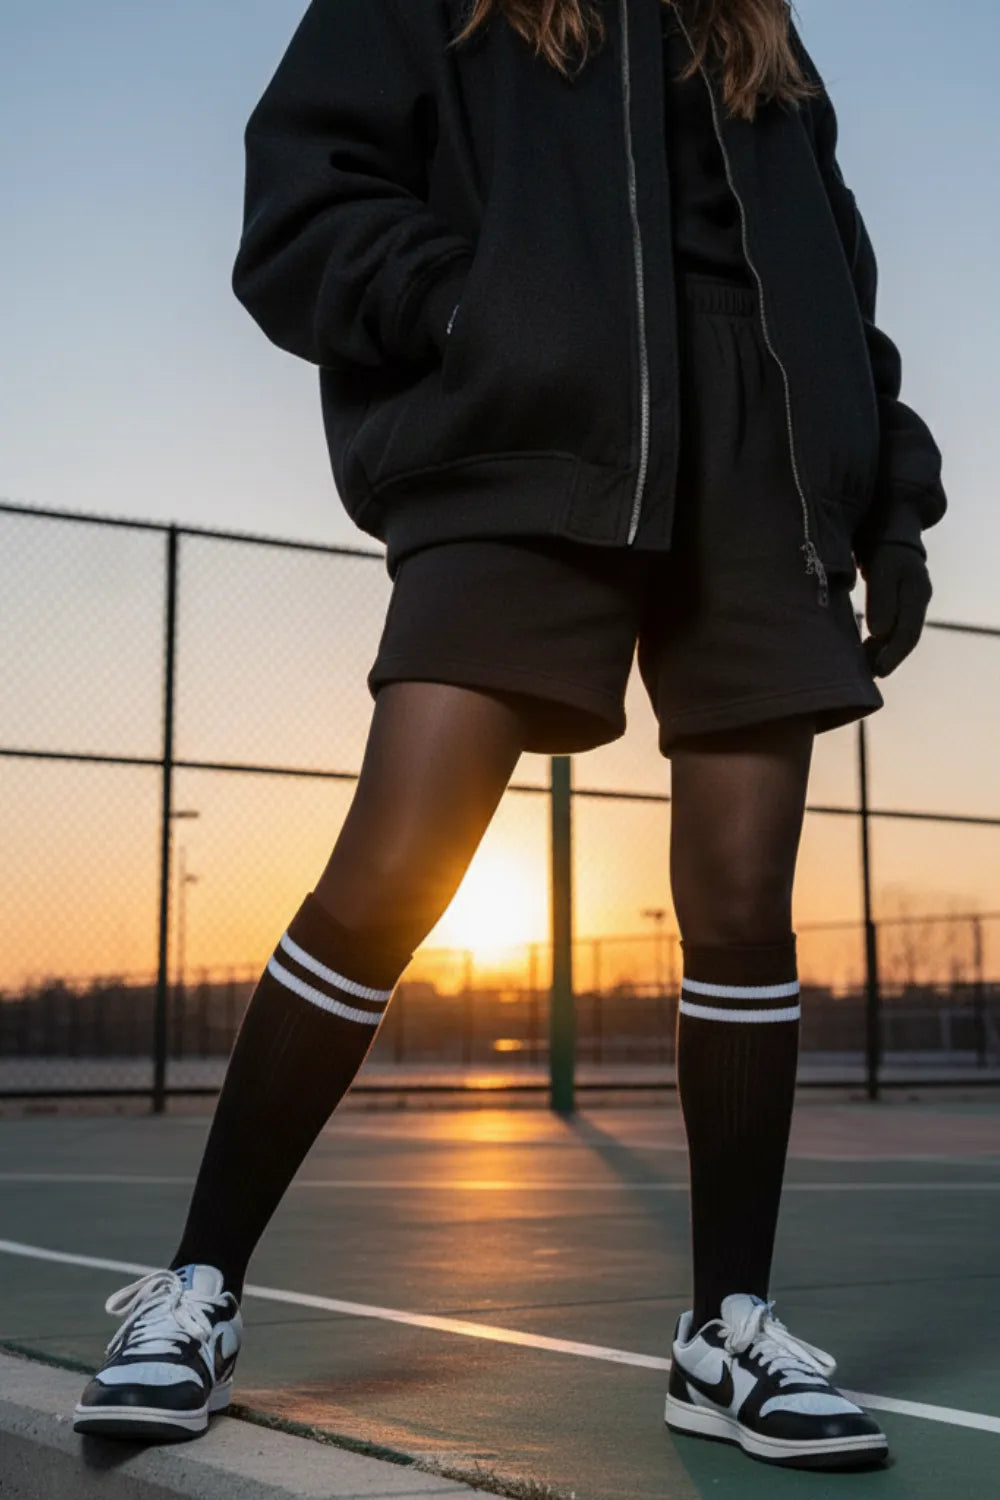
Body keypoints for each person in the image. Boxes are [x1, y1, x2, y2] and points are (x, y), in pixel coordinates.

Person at [73, 0, 946, 1472]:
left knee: (741, 909)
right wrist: (479, 315)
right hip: (530, 439)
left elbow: (839, 292)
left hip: (760, 470)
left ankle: (726, 1329)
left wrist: (891, 501)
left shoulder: (759, 36)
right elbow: (305, 200)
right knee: (393, 867)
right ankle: (198, 1289)